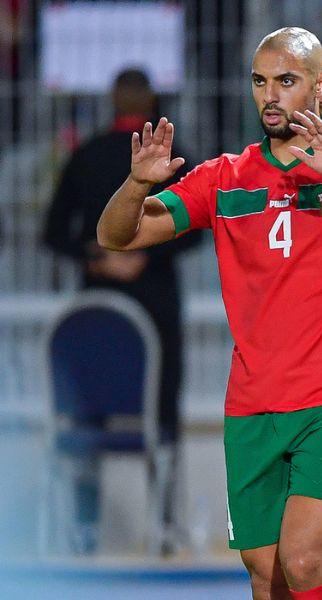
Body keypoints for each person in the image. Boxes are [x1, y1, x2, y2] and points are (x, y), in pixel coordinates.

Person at [94, 27, 322, 600]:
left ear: (320, 84)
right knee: (266, 573)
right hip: (254, 401)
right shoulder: (225, 176)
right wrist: (136, 185)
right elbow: (117, 236)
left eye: (286, 80)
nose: (271, 95)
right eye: (260, 82)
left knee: (304, 561)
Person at [42, 67, 199, 554]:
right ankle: (163, 527)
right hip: (156, 303)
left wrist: (97, 255)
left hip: (96, 307)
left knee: (88, 414)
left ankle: (85, 529)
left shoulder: (85, 155)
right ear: (151, 103)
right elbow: (198, 224)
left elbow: (52, 232)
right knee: (162, 415)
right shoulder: (174, 156)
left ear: (112, 102)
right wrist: (147, 255)